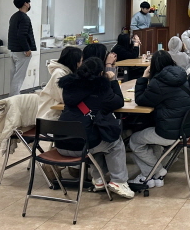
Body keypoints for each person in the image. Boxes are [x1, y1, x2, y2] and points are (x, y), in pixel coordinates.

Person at [56, 57, 134, 199]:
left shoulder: (68, 87)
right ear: (100, 73)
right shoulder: (100, 89)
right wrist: (112, 81)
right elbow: (118, 101)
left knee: (95, 139)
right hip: (82, 146)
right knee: (114, 142)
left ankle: (99, 179)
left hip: (61, 143)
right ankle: (119, 181)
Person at [129, 51, 190, 188]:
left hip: (169, 132)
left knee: (134, 140)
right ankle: (154, 175)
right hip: (184, 129)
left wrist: (143, 78)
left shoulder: (159, 82)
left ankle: (154, 172)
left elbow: (141, 100)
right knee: (151, 139)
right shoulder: (182, 76)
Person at [37, 46, 83, 121]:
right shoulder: (59, 73)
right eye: (80, 61)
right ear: (75, 62)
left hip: (59, 114)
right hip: (50, 116)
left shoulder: (67, 72)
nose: (81, 64)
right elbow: (66, 98)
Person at [7, 0, 37, 96]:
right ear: (25, 4)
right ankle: (14, 97)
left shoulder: (14, 16)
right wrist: (27, 49)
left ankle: (12, 97)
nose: (29, 5)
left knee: (14, 76)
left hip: (13, 50)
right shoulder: (24, 18)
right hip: (21, 51)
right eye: (29, 3)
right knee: (19, 77)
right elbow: (21, 35)